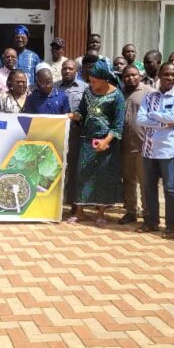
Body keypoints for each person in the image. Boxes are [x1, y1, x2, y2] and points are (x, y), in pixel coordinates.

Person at [67, 62, 125, 227]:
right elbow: (81, 113)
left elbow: (118, 124)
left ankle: (100, 213)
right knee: (82, 175)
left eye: (94, 81)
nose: (91, 84)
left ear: (103, 79)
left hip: (106, 144)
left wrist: (106, 142)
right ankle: (80, 212)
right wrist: (71, 116)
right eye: (90, 81)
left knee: (102, 178)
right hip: (87, 140)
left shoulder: (117, 96)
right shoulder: (88, 92)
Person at [136, 63, 174, 238]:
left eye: (173, 75)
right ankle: (152, 222)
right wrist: (163, 122)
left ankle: (170, 225)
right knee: (149, 188)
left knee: (170, 189)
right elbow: (140, 119)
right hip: (149, 151)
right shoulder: (149, 97)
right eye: (166, 74)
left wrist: (153, 115)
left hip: (168, 152)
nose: (170, 78)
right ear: (159, 75)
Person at [118, 65, 155, 225]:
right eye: (127, 76)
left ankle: (148, 214)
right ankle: (131, 211)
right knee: (128, 180)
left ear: (139, 75)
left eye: (133, 75)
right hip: (124, 146)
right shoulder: (120, 93)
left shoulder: (149, 92)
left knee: (145, 182)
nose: (130, 78)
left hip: (144, 146)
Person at [56, 59, 88, 207]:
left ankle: (74, 203)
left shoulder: (85, 88)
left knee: (75, 168)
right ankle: (58, 202)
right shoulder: (54, 86)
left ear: (77, 71)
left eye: (70, 69)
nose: (67, 71)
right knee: (57, 167)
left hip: (76, 133)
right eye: (65, 68)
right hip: (57, 133)